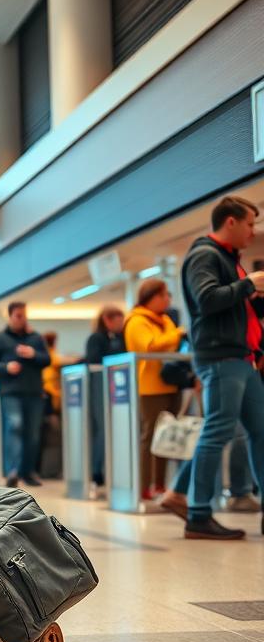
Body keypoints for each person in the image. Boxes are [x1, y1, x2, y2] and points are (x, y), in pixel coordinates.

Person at [180, 195, 264, 539]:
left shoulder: (229, 259)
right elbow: (207, 299)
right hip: (220, 359)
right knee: (217, 433)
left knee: (260, 432)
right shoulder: (205, 255)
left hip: (242, 359)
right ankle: (198, 514)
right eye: (249, 224)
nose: (253, 231)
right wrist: (248, 285)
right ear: (230, 221)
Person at [123, 279, 186, 505]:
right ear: (152, 297)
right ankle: (143, 487)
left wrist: (174, 336)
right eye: (164, 295)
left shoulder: (166, 320)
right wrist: (177, 334)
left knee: (166, 437)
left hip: (172, 383)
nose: (168, 299)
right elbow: (149, 345)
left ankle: (160, 484)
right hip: (150, 386)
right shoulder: (136, 321)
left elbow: (170, 346)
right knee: (149, 437)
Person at [0, 301, 50, 488]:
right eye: (18, 315)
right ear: (11, 316)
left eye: (24, 315)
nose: (22, 319)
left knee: (33, 433)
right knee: (15, 426)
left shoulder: (36, 338)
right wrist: (6, 367)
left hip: (34, 392)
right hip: (10, 392)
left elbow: (47, 359)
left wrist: (33, 354)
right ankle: (12, 471)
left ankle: (28, 472)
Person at [85, 305, 126, 494]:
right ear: (108, 320)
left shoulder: (121, 338)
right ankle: (96, 473)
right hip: (100, 387)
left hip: (118, 390)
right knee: (102, 429)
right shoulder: (96, 339)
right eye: (118, 319)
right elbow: (94, 360)